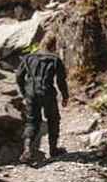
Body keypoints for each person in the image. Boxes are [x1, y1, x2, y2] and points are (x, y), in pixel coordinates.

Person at [16, 35, 69, 165]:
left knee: (32, 121)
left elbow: (18, 76)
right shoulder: (55, 59)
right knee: (53, 119)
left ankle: (27, 150)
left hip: (31, 93)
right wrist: (65, 96)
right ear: (53, 45)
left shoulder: (28, 57)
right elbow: (61, 80)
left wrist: (24, 92)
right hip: (47, 93)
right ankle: (53, 149)